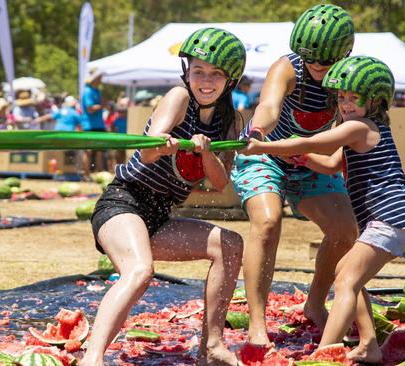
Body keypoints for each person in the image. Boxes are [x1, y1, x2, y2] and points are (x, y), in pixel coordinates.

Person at [80, 28, 247, 366]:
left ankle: (211, 347)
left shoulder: (230, 120)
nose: (205, 80)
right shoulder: (178, 97)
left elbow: (219, 182)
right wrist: (161, 142)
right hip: (123, 203)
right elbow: (146, 153)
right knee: (141, 270)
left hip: (160, 216)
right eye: (198, 70)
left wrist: (206, 154)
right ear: (187, 71)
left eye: (215, 74)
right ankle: (92, 358)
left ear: (230, 80)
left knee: (231, 243)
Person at [242, 56, 405, 363]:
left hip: (391, 219)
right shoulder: (356, 129)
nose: (345, 104)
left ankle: (326, 353)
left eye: (354, 98)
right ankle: (368, 345)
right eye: (341, 97)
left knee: (345, 280)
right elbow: (328, 162)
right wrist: (306, 160)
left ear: (375, 101)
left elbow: (318, 143)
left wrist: (264, 146)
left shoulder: (360, 127)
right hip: (389, 221)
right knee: (350, 275)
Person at [230, 4, 359, 345]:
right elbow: (269, 106)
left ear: (344, 53)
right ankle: (256, 324)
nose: (316, 66)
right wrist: (257, 132)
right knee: (269, 222)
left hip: (309, 160)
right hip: (266, 154)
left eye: (324, 61)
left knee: (346, 232)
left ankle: (314, 305)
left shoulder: (350, 76)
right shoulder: (288, 67)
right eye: (309, 59)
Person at [80, 68, 107, 176]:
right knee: (88, 151)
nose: (101, 79)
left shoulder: (96, 91)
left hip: (99, 124)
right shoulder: (88, 91)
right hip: (89, 125)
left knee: (100, 150)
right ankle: (86, 174)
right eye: (99, 77)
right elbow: (90, 109)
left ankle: (98, 173)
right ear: (95, 78)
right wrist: (102, 106)